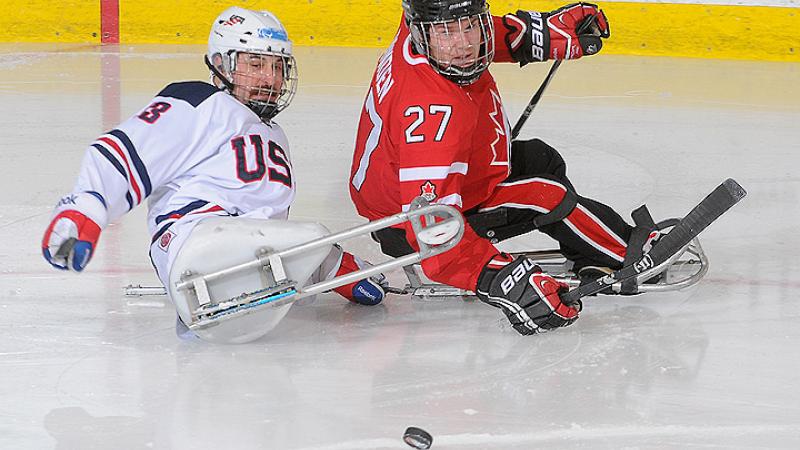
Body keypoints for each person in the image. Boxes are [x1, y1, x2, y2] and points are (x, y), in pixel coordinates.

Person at [41, 6, 386, 338]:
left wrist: (335, 268)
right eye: (256, 63)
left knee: (311, 235)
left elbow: (273, 227)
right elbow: (127, 150)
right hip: (195, 240)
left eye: (278, 66)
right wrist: (84, 210)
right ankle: (217, 288)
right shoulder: (199, 103)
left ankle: (295, 277)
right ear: (222, 64)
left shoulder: (274, 135)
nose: (270, 78)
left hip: (255, 257)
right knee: (309, 234)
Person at [350, 0, 655, 335]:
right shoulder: (432, 116)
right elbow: (432, 234)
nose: (464, 44)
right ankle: (627, 253)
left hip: (414, 182)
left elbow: (470, 30)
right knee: (544, 194)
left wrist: (546, 33)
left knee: (541, 159)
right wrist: (500, 277)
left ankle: (589, 254)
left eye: (469, 26)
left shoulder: (423, 29)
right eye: (449, 32)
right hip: (409, 220)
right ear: (426, 33)